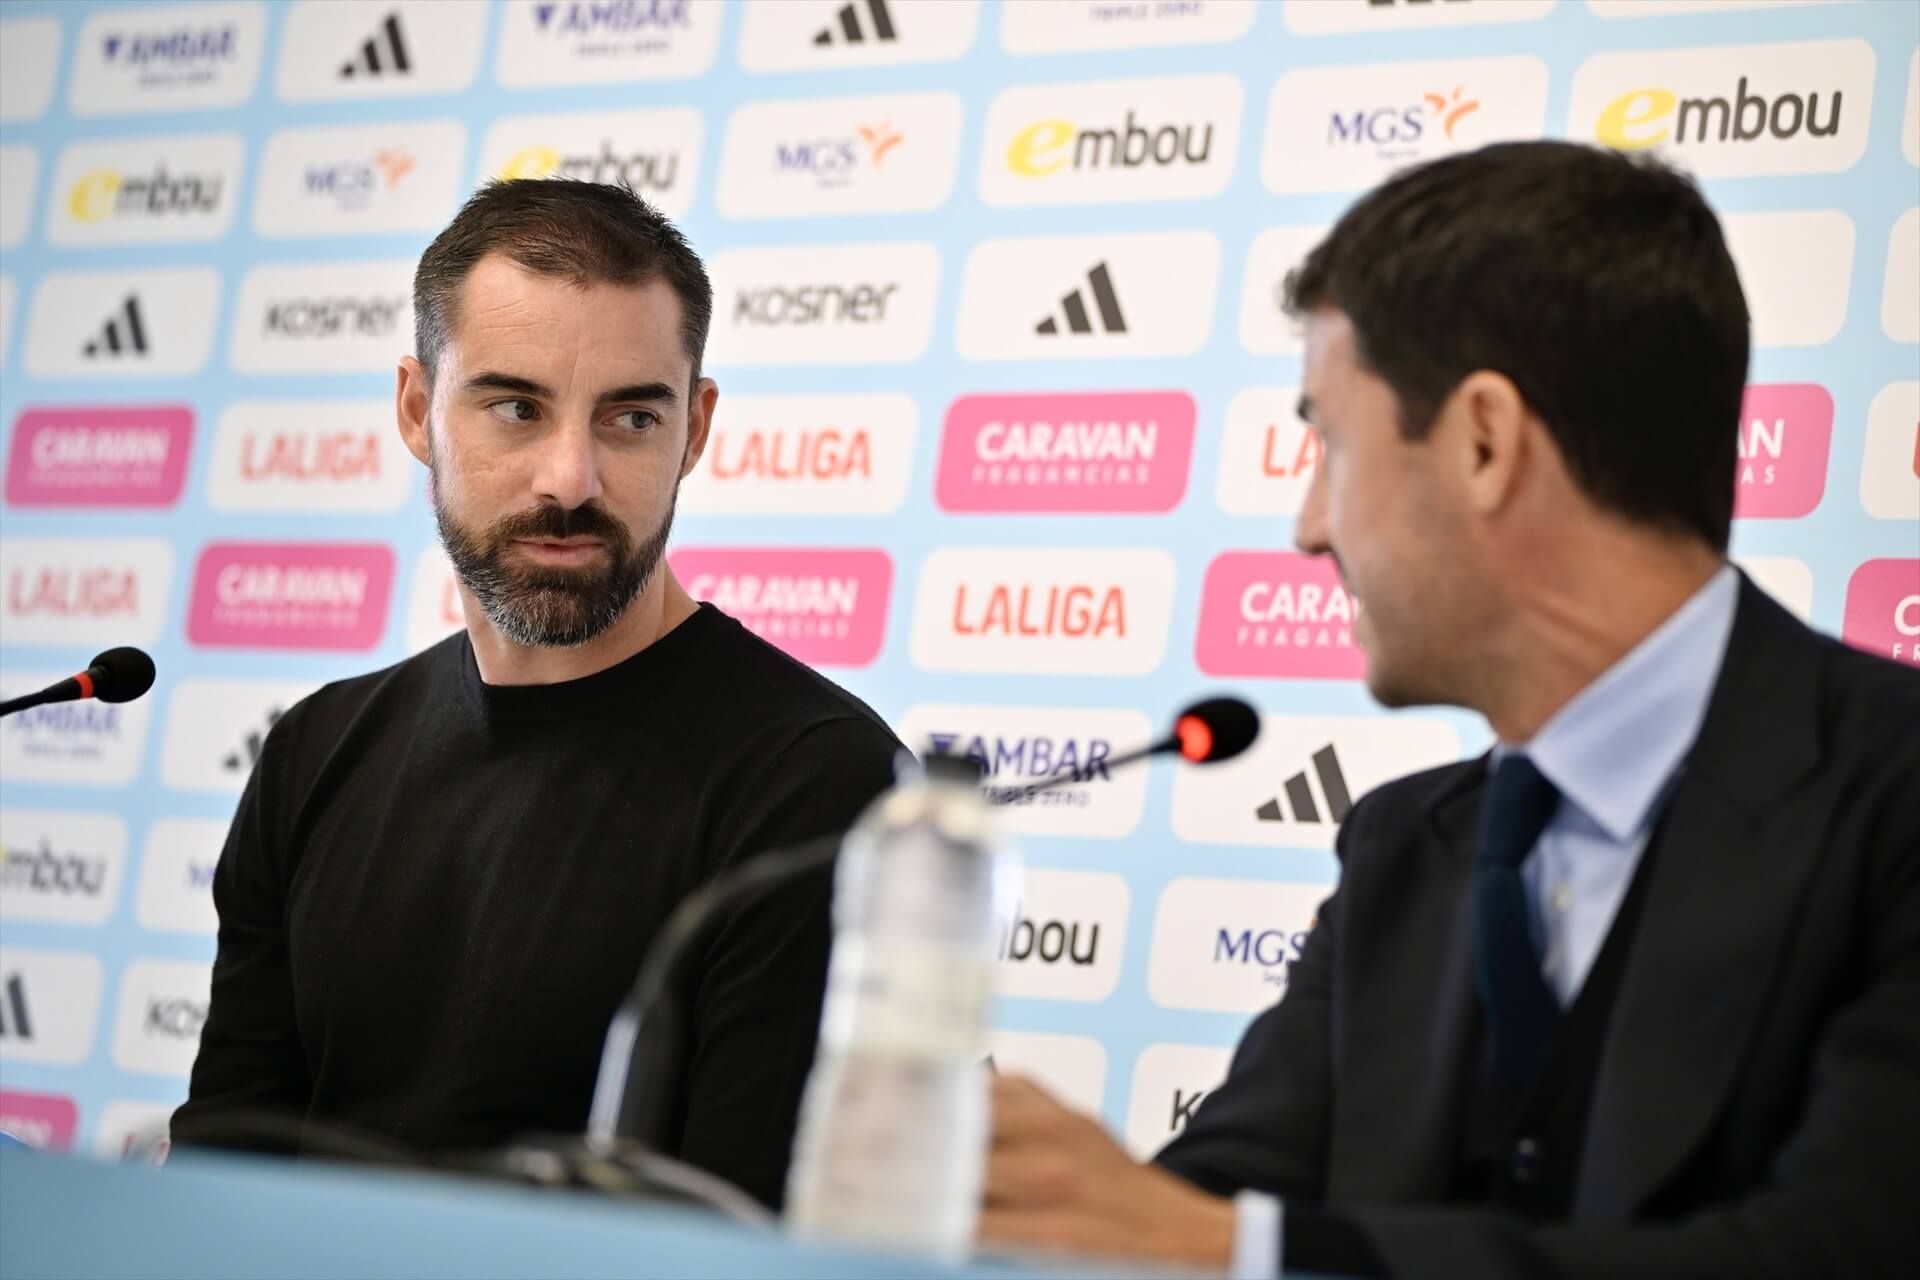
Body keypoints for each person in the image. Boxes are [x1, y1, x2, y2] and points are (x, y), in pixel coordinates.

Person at [977, 141, 1920, 1278]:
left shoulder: (1893, 794)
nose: (1307, 527)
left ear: (1483, 441)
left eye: (1326, 440)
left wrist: (1238, 1246)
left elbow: (1843, 1247)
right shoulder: (1398, 847)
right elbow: (1206, 1206)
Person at [173, 180, 904, 1210]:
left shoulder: (817, 780)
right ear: (418, 408)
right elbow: (217, 1182)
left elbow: (737, 1245)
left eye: (630, 416)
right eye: (517, 407)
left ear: (694, 429)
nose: (571, 477)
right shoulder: (315, 749)